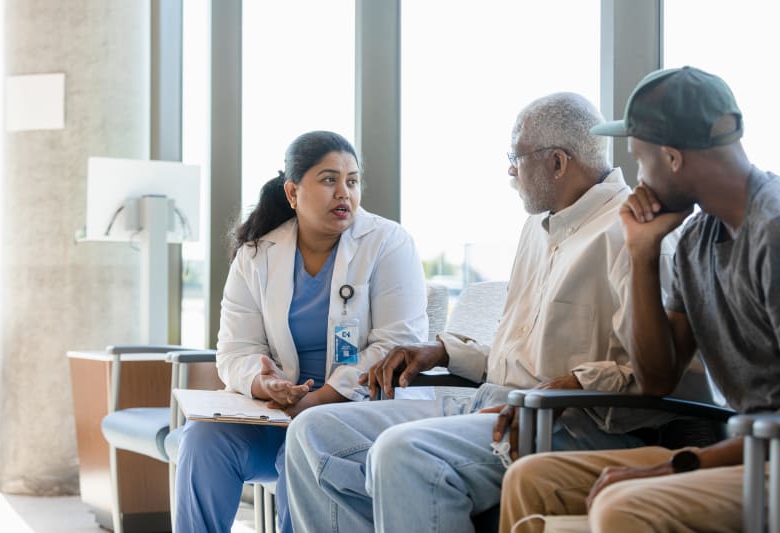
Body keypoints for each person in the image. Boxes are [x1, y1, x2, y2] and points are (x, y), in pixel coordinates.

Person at [285, 93, 696, 533]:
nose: (511, 171)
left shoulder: (631, 233)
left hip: (567, 424)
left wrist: (567, 384)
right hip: (491, 401)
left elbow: (651, 374)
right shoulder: (538, 227)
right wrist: (443, 351)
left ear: (558, 163)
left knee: (404, 453)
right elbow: (518, 356)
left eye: (516, 157)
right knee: (313, 430)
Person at [498, 66, 780, 533]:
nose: (637, 179)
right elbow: (656, 378)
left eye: (639, 161)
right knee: (532, 479)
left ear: (672, 158)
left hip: (766, 456)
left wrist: (678, 466)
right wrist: (641, 252)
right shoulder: (695, 241)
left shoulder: (771, 230)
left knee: (622, 506)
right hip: (747, 452)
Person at [174, 130, 429, 533]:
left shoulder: (388, 242)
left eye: (352, 181)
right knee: (204, 438)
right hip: (277, 414)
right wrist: (263, 383)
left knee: (304, 445)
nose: (344, 192)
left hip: (356, 414)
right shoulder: (257, 254)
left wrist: (319, 399)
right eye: (329, 180)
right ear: (293, 193)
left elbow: (397, 344)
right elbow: (235, 350)